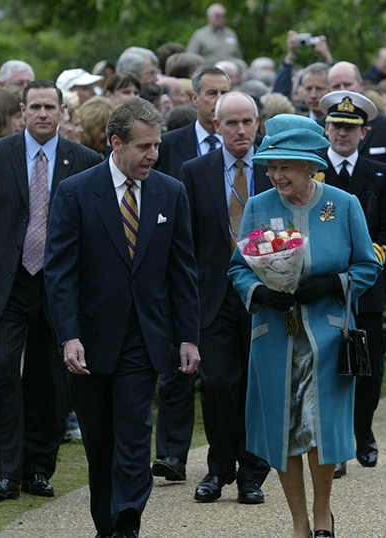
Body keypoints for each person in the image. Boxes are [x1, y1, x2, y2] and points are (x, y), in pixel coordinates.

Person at [44, 97, 200, 538]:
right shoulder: (76, 191)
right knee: (100, 442)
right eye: (144, 146)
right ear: (115, 142)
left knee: (134, 436)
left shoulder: (171, 191)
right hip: (90, 339)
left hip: (145, 337)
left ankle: (128, 520)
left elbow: (182, 269)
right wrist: (68, 335)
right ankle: (106, 525)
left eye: (158, 146)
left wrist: (188, 336)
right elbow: (60, 271)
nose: (153, 155)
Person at [228, 114, 381, 538]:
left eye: (286, 166)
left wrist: (334, 282)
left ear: (311, 165)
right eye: (272, 166)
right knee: (283, 429)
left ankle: (322, 513)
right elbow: (239, 269)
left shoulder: (342, 204)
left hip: (327, 338)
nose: (276, 175)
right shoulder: (259, 205)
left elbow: (368, 265)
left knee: (320, 428)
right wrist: (260, 294)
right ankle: (297, 521)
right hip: (275, 336)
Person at [0, 80, 101, 501]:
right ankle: (2, 472)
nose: (42, 114)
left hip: (59, 284)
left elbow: (91, 232)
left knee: (50, 379)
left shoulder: (85, 159)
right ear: (22, 111)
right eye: (34, 106)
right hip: (6, 280)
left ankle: (39, 466)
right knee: (3, 372)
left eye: (49, 107)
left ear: (62, 112)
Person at [177, 92, 270, 504]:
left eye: (248, 121)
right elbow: (186, 240)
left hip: (265, 295)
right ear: (216, 127)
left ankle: (252, 473)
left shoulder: (273, 169)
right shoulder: (195, 172)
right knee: (216, 384)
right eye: (231, 123)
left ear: (257, 122)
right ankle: (218, 468)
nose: (241, 130)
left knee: (257, 384)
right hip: (213, 295)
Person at [150, 65, 233, 482]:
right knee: (176, 367)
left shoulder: (245, 146)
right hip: (179, 268)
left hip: (224, 271)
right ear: (194, 98)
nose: (217, 100)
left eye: (224, 92)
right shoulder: (169, 145)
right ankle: (171, 454)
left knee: (218, 374)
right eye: (211, 93)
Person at [317, 90, 386, 478]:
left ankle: (362, 430)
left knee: (369, 368)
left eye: (351, 128)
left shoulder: (379, 174)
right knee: (331, 366)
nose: (342, 134)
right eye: (336, 126)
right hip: (325, 288)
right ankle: (335, 445)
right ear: (326, 128)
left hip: (366, 288)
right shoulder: (315, 172)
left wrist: (370, 262)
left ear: (363, 132)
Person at [325, 62, 386, 187]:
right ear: (327, 128)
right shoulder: (316, 128)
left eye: (347, 84)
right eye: (336, 86)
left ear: (361, 85)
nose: (343, 90)